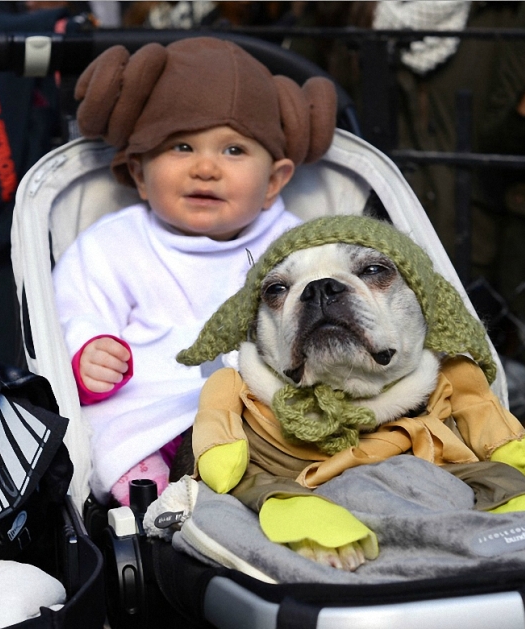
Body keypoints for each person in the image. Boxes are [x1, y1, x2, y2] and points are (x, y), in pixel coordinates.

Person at [53, 37, 337, 505]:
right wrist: (88, 352)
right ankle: (157, 503)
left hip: (261, 406)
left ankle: (282, 492)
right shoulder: (111, 244)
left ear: (274, 182)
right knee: (109, 444)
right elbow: (74, 311)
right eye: (181, 147)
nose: (205, 168)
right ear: (140, 174)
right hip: (150, 408)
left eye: (234, 151)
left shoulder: (298, 243)